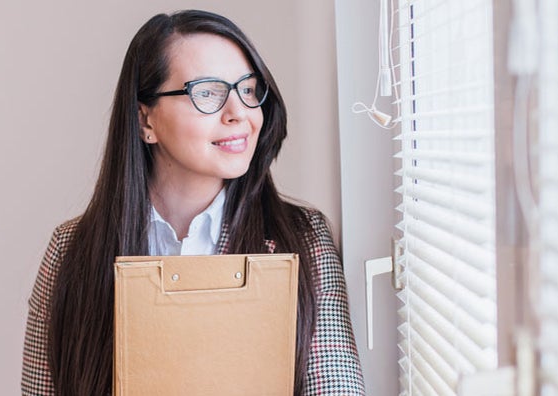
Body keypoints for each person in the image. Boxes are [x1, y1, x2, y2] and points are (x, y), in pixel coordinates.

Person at [20, 10, 366, 396]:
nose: (240, 114)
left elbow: (337, 387)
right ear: (144, 121)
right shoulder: (71, 250)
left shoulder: (303, 238)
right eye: (206, 92)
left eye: (248, 90)